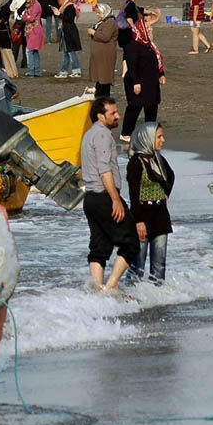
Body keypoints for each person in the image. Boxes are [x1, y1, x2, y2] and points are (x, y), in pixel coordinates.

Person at [81, 97, 137, 292]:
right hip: (104, 196)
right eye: (112, 113)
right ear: (100, 116)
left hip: (90, 199)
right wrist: (116, 200)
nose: (118, 116)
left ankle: (97, 291)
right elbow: (105, 171)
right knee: (131, 241)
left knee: (99, 246)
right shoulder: (103, 135)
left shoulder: (88, 134)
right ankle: (111, 287)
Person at [126, 122, 175, 283]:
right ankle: (132, 297)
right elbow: (133, 196)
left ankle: (158, 299)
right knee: (137, 265)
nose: (163, 140)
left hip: (161, 217)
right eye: (159, 136)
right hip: (143, 216)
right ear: (146, 138)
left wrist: (165, 193)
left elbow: (171, 175)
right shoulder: (135, 163)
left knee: (159, 265)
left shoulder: (158, 160)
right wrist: (138, 221)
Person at [122, 19, 164, 141]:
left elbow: (157, 61)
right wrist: (136, 83)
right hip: (137, 82)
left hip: (151, 83)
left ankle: (150, 133)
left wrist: (161, 74)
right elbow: (132, 65)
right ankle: (126, 133)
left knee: (152, 107)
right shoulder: (132, 46)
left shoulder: (150, 45)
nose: (150, 30)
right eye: (148, 29)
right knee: (134, 108)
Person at [87, 4, 117, 97]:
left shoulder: (110, 22)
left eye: (99, 13)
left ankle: (103, 98)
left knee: (104, 78)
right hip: (101, 55)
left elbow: (105, 37)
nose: (98, 15)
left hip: (106, 55)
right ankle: (101, 97)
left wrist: (94, 33)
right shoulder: (104, 21)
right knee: (101, 77)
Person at [54, 0, 82, 78]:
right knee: (66, 51)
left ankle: (76, 69)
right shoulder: (66, 6)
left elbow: (69, 18)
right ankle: (64, 70)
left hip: (69, 31)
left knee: (70, 51)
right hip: (67, 30)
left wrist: (59, 14)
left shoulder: (70, 6)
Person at [21, 0, 44, 77]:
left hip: (35, 30)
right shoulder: (29, 5)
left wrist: (26, 16)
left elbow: (31, 18)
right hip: (30, 30)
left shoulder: (36, 5)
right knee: (34, 51)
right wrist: (27, 16)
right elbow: (24, 17)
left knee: (29, 50)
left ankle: (31, 70)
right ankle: (36, 71)